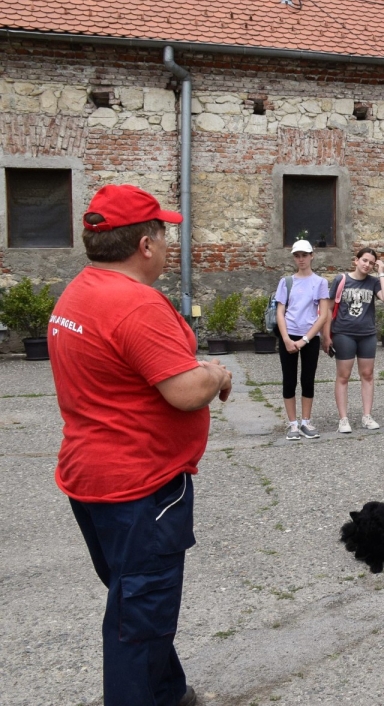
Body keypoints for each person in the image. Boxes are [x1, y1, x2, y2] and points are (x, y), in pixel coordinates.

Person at [49, 184, 233, 706]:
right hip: (140, 486)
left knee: (134, 598)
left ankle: (167, 692)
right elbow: (184, 393)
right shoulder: (135, 304)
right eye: (164, 235)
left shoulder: (80, 290)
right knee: (141, 614)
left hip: (91, 476)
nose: (169, 245)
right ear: (145, 245)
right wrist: (215, 374)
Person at [323, 247, 384, 433]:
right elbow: (328, 308)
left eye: (371, 263)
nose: (367, 265)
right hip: (343, 333)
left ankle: (367, 416)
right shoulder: (341, 279)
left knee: (367, 374)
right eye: (364, 260)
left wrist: (381, 273)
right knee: (343, 376)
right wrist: (326, 335)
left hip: (367, 335)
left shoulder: (373, 282)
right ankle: (343, 419)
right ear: (356, 260)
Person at [275, 239, 331, 440]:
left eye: (304, 255)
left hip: (310, 337)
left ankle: (306, 421)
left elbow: (323, 315)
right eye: (297, 256)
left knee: (308, 379)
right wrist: (286, 338)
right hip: (289, 334)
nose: (301, 259)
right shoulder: (286, 282)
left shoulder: (320, 282)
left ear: (312, 256)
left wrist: (305, 340)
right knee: (289, 380)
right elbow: (280, 312)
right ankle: (292, 424)